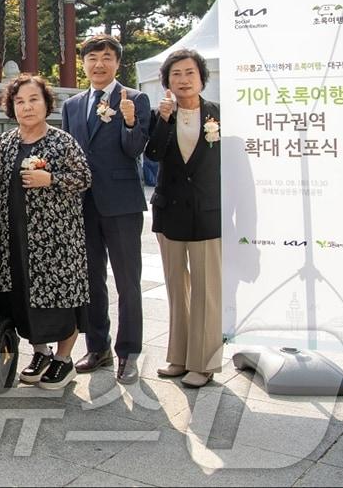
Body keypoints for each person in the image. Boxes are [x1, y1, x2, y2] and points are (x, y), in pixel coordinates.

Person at [0, 74, 93, 390]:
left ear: (46, 104)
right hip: (11, 236)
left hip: (55, 240)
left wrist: (52, 180)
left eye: (33, 100)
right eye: (20, 101)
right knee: (19, 297)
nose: (27, 107)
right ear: (11, 107)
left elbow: (84, 178)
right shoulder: (4, 142)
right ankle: (40, 353)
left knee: (59, 300)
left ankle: (64, 359)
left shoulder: (62, 141)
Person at [59, 34, 151, 384]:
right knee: (90, 280)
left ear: (117, 63)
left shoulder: (136, 99)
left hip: (122, 204)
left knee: (128, 281)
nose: (99, 64)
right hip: (82, 204)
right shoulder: (72, 105)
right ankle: (97, 347)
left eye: (107, 57)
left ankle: (128, 352)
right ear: (83, 63)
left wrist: (129, 122)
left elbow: (135, 150)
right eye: (92, 57)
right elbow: (67, 153)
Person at [144, 49, 222, 389]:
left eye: (189, 72)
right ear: (167, 82)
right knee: (178, 288)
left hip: (207, 213)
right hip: (170, 212)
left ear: (201, 77)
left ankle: (204, 363)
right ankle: (178, 356)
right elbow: (153, 155)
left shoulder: (219, 114)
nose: (184, 79)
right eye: (176, 74)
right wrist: (163, 120)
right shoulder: (161, 114)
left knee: (207, 289)